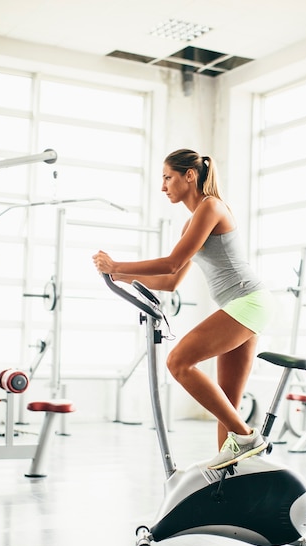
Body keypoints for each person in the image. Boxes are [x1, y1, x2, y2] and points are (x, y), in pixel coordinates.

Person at [93, 148, 274, 470]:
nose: (163, 187)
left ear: (189, 175)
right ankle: (231, 478)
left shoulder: (211, 207)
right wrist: (117, 275)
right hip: (245, 304)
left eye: (167, 177)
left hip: (248, 300)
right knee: (227, 403)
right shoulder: (193, 220)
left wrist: (118, 263)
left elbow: (172, 262)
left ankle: (248, 437)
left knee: (179, 362)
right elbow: (171, 279)